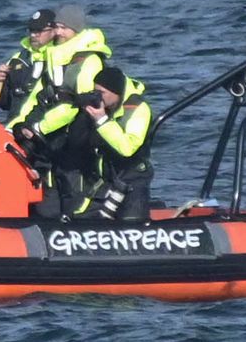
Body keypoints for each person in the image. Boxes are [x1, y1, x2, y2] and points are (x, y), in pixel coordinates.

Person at [29, 62, 156, 222]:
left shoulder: (138, 109)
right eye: (95, 91)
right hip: (106, 177)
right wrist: (81, 112)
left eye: (102, 92)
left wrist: (101, 120)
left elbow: (127, 148)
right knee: (82, 217)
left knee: (132, 222)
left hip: (133, 177)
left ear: (116, 93)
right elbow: (77, 142)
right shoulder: (101, 107)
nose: (98, 96)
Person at [0, 5, 113, 128]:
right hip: (22, 124)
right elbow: (6, 102)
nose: (33, 35)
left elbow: (79, 103)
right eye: (31, 30)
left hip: (55, 127)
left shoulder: (71, 58)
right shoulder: (18, 59)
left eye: (39, 30)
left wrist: (38, 128)